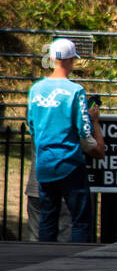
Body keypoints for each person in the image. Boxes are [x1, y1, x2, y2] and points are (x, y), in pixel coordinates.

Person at [27, 38, 104, 242]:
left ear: (51, 58)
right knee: (80, 220)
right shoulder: (75, 90)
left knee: (47, 219)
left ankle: (44, 262)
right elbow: (84, 128)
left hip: (44, 163)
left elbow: (32, 125)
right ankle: (76, 261)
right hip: (69, 161)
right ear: (71, 60)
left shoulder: (36, 89)